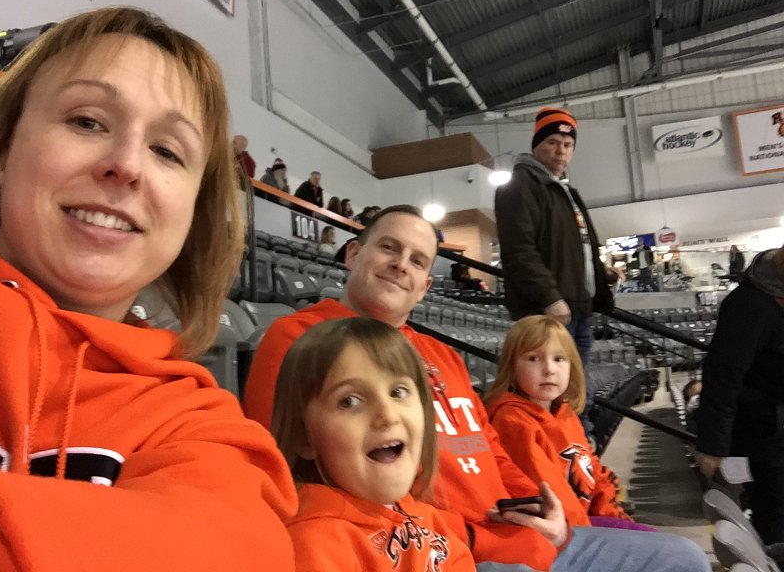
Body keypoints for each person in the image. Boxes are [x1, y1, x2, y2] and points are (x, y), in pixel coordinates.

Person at [0, 6, 297, 569]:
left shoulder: (200, 424)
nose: (126, 164)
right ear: (3, 153)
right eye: (87, 121)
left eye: (167, 151)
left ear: (192, 216)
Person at [243, 204, 711, 572]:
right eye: (388, 248)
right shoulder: (300, 337)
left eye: (417, 260)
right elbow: (291, 475)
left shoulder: (441, 353)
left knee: (682, 559)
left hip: (520, 531)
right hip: (448, 548)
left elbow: (489, 445)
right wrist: (473, 537)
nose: (400, 265)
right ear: (353, 254)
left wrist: (538, 504)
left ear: (425, 286)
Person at [272, 317, 478, 571]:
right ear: (304, 437)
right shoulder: (316, 543)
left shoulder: (429, 520)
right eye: (349, 401)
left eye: (398, 392)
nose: (388, 415)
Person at [494, 107, 616, 425]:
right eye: (552, 142)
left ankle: (577, 447)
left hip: (579, 307)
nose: (561, 150)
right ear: (536, 145)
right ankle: (555, 448)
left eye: (567, 144)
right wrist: (550, 297)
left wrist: (601, 275)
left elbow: (575, 247)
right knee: (550, 394)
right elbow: (519, 251)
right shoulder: (520, 186)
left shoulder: (563, 190)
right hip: (551, 311)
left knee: (575, 393)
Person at [485, 316, 654, 532]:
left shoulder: (565, 414)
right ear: (512, 367)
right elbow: (550, 497)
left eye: (559, 359)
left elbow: (595, 472)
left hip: (584, 520)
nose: (549, 369)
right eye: (533, 359)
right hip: (564, 531)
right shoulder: (513, 421)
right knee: (668, 547)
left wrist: (616, 516)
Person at [696, 246, 784, 545]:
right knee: (776, 519)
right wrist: (713, 445)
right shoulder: (751, 304)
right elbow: (723, 375)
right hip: (766, 435)